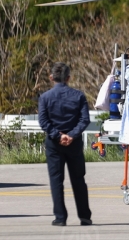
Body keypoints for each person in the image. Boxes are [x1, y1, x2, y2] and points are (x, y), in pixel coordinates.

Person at [38, 62, 92, 226]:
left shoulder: (45, 97)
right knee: (78, 180)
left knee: (56, 181)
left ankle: (60, 217)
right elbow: (85, 119)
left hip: (54, 144)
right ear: (68, 78)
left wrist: (57, 135)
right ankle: (84, 216)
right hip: (74, 144)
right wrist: (72, 135)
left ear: (51, 77)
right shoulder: (78, 96)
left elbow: (43, 121)